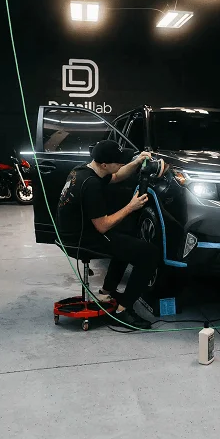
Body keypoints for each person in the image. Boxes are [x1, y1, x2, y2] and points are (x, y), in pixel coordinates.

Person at [57, 139, 164, 329]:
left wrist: (137, 161)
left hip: (74, 231)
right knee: (149, 254)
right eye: (119, 161)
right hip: (81, 239)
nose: (122, 164)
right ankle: (124, 310)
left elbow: (116, 176)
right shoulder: (91, 185)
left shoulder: (84, 170)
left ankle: (107, 291)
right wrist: (131, 207)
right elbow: (103, 226)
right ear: (105, 164)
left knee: (127, 237)